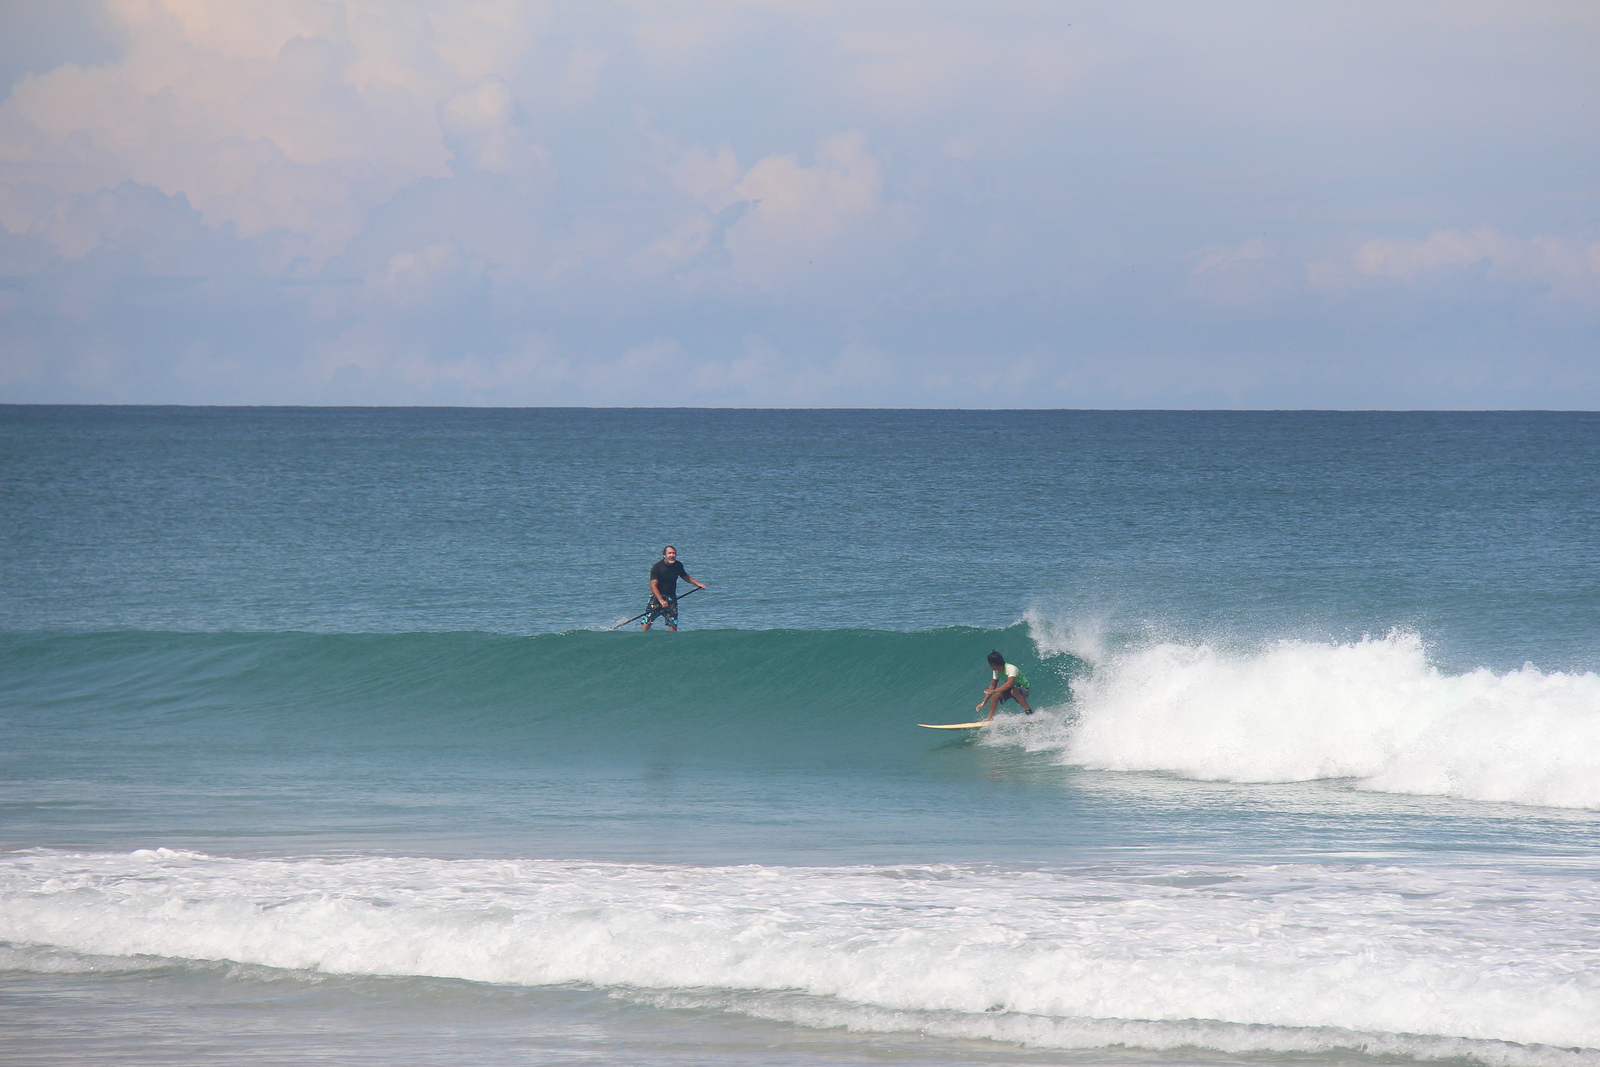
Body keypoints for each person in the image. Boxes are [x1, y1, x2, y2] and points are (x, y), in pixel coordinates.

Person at [642, 545, 705, 631]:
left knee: (673, 622)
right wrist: (661, 600)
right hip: (657, 597)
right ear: (664, 555)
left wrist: (698, 584)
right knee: (648, 620)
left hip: (671, 598)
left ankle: (671, 640)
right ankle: (643, 636)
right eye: (670, 553)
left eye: (674, 553)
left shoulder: (678, 565)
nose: (672, 555)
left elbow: (685, 576)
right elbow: (653, 586)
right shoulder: (657, 567)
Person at [977, 650, 1034, 718]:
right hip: (1013, 688)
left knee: (1014, 691)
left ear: (993, 664)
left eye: (989, 663)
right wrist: (983, 703)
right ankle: (989, 718)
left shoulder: (1011, 668)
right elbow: (992, 686)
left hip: (1024, 689)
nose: (988, 665)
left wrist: (994, 690)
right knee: (996, 694)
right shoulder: (996, 671)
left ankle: (1029, 712)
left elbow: (1009, 684)